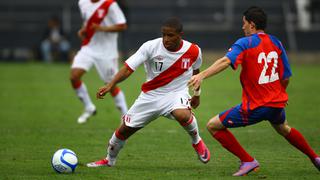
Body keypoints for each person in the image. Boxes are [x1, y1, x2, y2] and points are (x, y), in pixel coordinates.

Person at [188, 6, 320, 176]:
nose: (242, 27)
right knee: (284, 129)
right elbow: (285, 77)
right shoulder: (276, 42)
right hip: (276, 103)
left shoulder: (245, 43)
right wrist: (279, 94)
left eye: (244, 23)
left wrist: (202, 75)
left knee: (213, 126)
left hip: (256, 106)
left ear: (251, 24)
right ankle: (315, 158)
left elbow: (226, 61)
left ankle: (247, 160)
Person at [86, 17, 211, 167]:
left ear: (180, 35)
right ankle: (109, 160)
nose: (166, 39)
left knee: (182, 114)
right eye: (163, 34)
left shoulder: (194, 51)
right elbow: (128, 68)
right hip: (151, 96)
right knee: (124, 130)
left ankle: (196, 141)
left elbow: (196, 74)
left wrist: (197, 95)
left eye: (170, 35)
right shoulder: (150, 47)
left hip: (176, 93)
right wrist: (110, 84)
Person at [71, 0, 128, 124]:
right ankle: (89, 107)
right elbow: (87, 21)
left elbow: (122, 26)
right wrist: (83, 30)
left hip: (107, 52)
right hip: (89, 47)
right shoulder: (83, 2)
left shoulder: (109, 4)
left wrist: (102, 28)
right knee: (74, 76)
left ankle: (125, 116)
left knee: (110, 84)